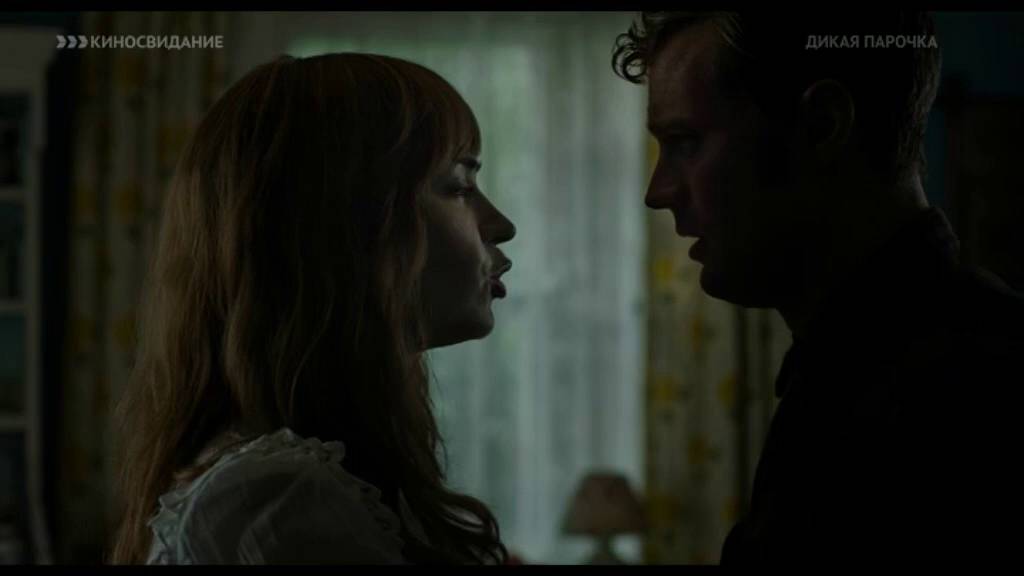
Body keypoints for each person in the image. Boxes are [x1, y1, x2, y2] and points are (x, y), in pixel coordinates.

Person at [612, 11, 1024, 564]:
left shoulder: (972, 397)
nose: (657, 192)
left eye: (685, 142)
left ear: (823, 125)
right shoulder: (847, 372)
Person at [109, 53, 516, 565]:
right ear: (347, 227)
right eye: (458, 186)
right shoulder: (279, 499)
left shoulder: (288, 483)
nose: (501, 225)